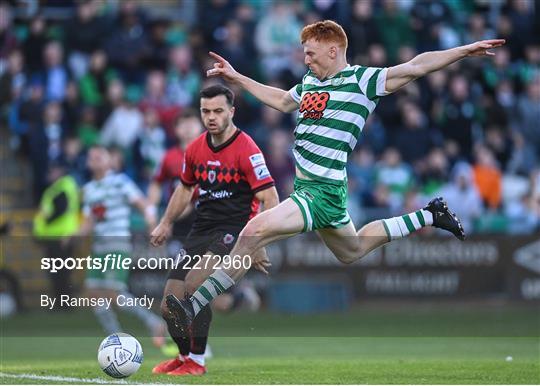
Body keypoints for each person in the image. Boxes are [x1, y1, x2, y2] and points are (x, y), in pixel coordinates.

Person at [154, 20, 505, 335]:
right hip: (318, 190)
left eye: (310, 53)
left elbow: (416, 66)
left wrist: (465, 51)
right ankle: (430, 214)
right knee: (351, 250)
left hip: (319, 192)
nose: (305, 59)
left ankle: (192, 306)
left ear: (333, 49)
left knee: (253, 230)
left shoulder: (362, 81)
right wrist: (237, 77)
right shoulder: (309, 82)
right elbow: (280, 100)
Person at [150, 85, 279, 376]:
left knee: (195, 285)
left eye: (218, 111)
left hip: (233, 229)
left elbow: (270, 198)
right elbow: (184, 190)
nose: (211, 117)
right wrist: (165, 222)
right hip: (201, 227)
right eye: (206, 111)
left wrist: (259, 242)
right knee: (169, 304)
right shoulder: (195, 148)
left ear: (231, 112)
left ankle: (197, 361)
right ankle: (183, 357)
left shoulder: (247, 149)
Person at [78, 145, 165, 345]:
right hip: (98, 245)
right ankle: (115, 337)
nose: (94, 158)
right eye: (91, 156)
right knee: (93, 293)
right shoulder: (89, 189)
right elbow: (88, 221)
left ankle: (153, 322)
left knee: (113, 293)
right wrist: (73, 235)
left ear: (110, 161)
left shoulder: (120, 182)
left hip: (117, 243)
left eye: (99, 155)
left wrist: (152, 223)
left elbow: (142, 203)